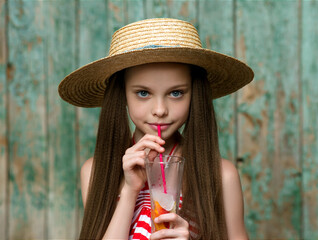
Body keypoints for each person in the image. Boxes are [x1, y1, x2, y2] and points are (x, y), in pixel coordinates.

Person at [58, 18, 254, 240]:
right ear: (122, 94)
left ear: (195, 95)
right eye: (143, 93)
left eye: (176, 93)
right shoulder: (96, 171)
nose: (160, 110)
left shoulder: (221, 175)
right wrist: (130, 190)